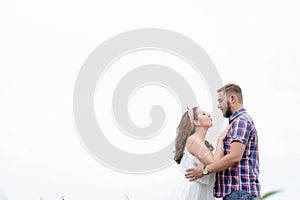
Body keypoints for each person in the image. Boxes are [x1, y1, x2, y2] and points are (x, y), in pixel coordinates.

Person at [185, 84, 261, 199]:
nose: (218, 105)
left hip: (239, 193)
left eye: (220, 100)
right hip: (237, 194)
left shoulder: (240, 121)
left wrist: (204, 171)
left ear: (232, 98)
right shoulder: (236, 123)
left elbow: (234, 157)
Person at [169, 106, 229, 200]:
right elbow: (215, 162)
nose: (209, 115)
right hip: (189, 193)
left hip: (202, 193)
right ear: (196, 122)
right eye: (204, 114)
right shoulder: (192, 140)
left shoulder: (202, 144)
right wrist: (220, 139)